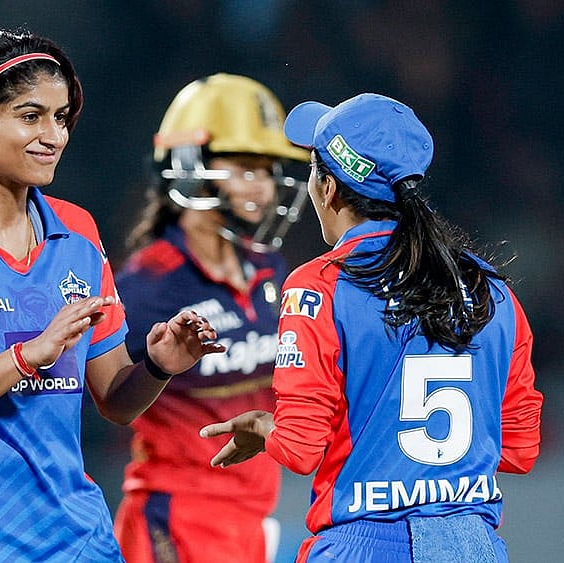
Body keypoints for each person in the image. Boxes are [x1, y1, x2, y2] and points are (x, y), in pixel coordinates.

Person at [0, 29, 224, 563]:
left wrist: (159, 365)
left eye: (61, 117)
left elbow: (115, 399)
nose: (53, 134)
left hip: (80, 541)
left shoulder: (78, 235)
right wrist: (28, 356)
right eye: (30, 116)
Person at [200, 93, 544, 563]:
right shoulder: (492, 289)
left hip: (363, 545)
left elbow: (300, 448)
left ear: (328, 188)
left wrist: (263, 427)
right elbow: (519, 446)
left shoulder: (318, 285)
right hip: (473, 546)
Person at [111, 74, 309, 563]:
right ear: (188, 168)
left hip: (252, 520)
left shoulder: (268, 268)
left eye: (266, 170)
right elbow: (108, 400)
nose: (262, 187)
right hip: (174, 519)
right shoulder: (147, 285)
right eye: (243, 167)